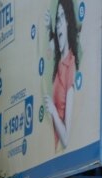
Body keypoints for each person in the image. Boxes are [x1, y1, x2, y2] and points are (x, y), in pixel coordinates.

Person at [45, 0, 79, 149]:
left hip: (60, 152)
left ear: (68, 23)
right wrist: (48, 30)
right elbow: (53, 45)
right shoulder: (59, 61)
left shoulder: (70, 68)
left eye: (61, 18)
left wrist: (52, 109)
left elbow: (66, 139)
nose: (58, 25)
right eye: (56, 20)